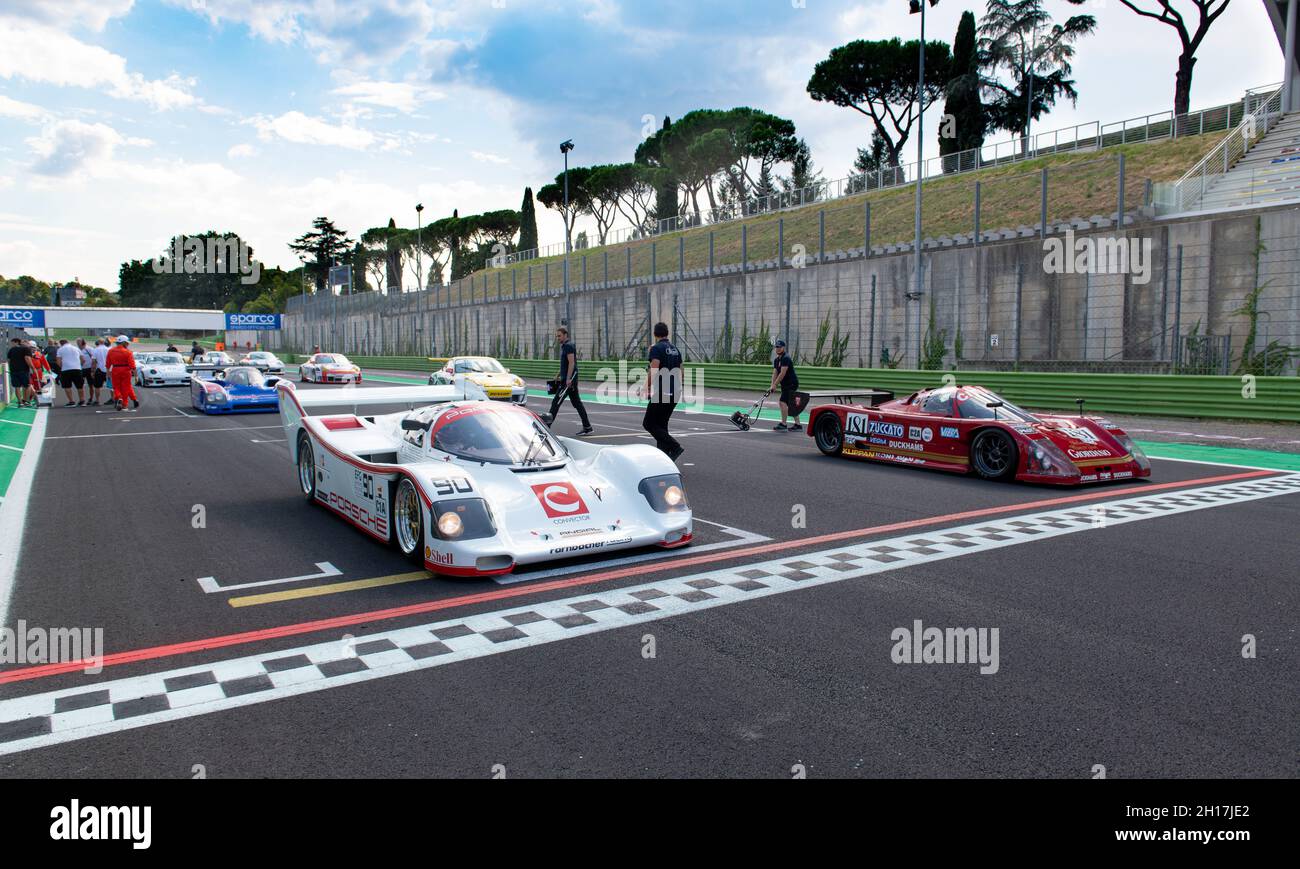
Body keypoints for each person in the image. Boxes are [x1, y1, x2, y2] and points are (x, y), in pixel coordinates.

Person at [539, 325, 592, 435]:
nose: (558, 338)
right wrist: (558, 374)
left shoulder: (568, 346)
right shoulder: (565, 346)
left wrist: (568, 379)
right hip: (567, 379)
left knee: (556, 402)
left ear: (565, 335)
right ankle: (587, 426)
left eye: (559, 336)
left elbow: (572, 363)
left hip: (569, 381)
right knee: (577, 403)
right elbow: (566, 363)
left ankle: (546, 428)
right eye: (557, 336)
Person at [642, 322, 683, 460]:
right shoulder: (676, 349)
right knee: (661, 425)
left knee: (648, 423)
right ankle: (663, 457)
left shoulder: (656, 348)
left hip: (663, 391)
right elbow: (681, 372)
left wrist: (646, 386)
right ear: (667, 333)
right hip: (675, 391)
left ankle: (674, 446)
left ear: (655, 334)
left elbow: (654, 369)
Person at [768, 339, 807, 431]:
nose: (777, 349)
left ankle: (783, 424)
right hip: (786, 384)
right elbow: (775, 373)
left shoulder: (786, 358)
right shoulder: (777, 360)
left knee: (782, 402)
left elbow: (782, 373)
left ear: (783, 348)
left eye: (779, 347)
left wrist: (775, 385)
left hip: (791, 383)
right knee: (790, 403)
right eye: (776, 347)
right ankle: (798, 425)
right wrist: (772, 385)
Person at [105, 335, 139, 411]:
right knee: (126, 388)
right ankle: (125, 404)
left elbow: (108, 364)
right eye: (127, 343)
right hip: (126, 371)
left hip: (115, 370)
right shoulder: (128, 352)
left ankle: (119, 398)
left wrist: (108, 373)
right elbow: (132, 365)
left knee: (116, 387)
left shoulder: (111, 351)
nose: (128, 345)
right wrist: (136, 376)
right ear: (124, 343)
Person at [55, 339, 86, 406]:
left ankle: (71, 401)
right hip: (77, 369)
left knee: (67, 386)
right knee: (80, 386)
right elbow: (83, 360)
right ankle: (82, 401)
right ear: (68, 342)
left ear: (61, 344)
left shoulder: (60, 349)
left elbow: (58, 361)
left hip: (66, 369)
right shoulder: (76, 348)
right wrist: (79, 365)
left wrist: (62, 366)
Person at [6, 338, 35, 408]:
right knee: (27, 385)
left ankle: (20, 402)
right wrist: (33, 368)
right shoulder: (26, 349)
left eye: (12, 342)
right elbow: (27, 359)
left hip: (14, 370)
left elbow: (9, 360)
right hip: (24, 370)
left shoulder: (12, 349)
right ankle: (27, 401)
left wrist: (12, 367)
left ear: (16, 342)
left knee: (17, 386)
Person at [90, 339, 110, 405]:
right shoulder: (108, 349)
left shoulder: (96, 350)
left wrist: (92, 371)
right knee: (111, 386)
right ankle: (113, 398)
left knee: (97, 386)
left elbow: (93, 362)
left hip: (99, 369)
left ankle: (97, 400)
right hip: (108, 369)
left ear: (98, 342)